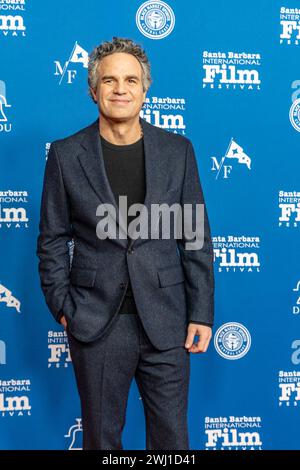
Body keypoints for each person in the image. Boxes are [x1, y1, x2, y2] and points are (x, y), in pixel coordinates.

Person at [36, 37, 215, 450]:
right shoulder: (65, 155)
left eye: (131, 80)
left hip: (167, 321)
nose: (121, 89)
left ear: (144, 88)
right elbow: (52, 238)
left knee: (172, 442)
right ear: (93, 89)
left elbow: (195, 237)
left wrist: (201, 313)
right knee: (102, 441)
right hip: (96, 322)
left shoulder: (178, 151)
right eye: (110, 80)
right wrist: (64, 307)